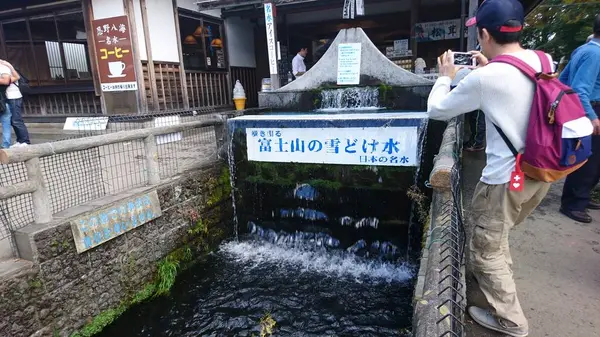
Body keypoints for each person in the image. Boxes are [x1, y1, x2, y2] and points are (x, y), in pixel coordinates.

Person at [427, 0, 554, 335]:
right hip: (541, 172)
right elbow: (513, 91)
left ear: (483, 33)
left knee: (485, 249)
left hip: (505, 180)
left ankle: (512, 322)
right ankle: (498, 292)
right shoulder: (542, 60)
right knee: (497, 239)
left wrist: (445, 77)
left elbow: (438, 110)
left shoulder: (488, 78)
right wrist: (486, 69)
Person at [559, 16, 600, 223]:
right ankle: (574, 203)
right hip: (592, 109)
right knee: (589, 159)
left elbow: (563, 80)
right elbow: (580, 89)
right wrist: (592, 117)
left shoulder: (582, 50)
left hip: (586, 108)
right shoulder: (595, 54)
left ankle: (582, 196)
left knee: (590, 157)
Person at [0, 60, 29, 148]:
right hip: (8, 97)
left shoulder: (3, 67)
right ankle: (20, 140)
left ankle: (25, 141)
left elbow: (6, 81)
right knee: (12, 120)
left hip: (14, 96)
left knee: (16, 120)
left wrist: (9, 66)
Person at [0, 61, 18, 149]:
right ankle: (6, 145)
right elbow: (16, 77)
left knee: (6, 124)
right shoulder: (4, 81)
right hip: (4, 104)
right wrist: (9, 66)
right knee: (6, 125)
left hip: (3, 104)